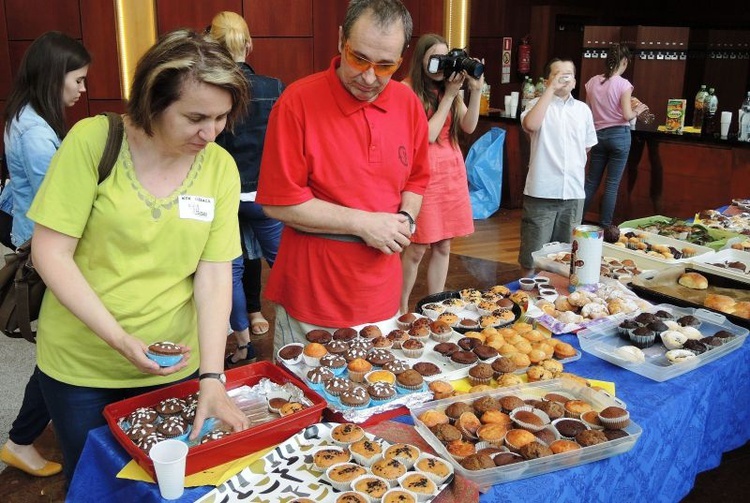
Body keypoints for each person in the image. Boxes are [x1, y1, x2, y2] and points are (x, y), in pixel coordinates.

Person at [26, 29, 251, 481]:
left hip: (176, 364)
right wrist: (121, 340)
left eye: (222, 117)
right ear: (152, 100)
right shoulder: (95, 141)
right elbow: (50, 253)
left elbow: (213, 275)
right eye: (195, 117)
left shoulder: (219, 168)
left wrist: (211, 375)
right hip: (82, 366)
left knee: (171, 483)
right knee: (97, 481)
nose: (210, 133)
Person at [256, 0, 430, 350]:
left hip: (381, 289)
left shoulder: (408, 104)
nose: (368, 77)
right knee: (307, 396)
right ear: (340, 41)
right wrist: (365, 224)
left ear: (401, 58)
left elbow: (417, 179)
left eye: (385, 66)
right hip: (314, 295)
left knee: (376, 388)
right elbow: (279, 203)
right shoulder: (297, 101)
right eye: (358, 59)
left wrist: (406, 218)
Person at [0, 31, 90, 478]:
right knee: (59, 354)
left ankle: (19, 440)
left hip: (30, 240)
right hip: (44, 252)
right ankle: (19, 439)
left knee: (56, 352)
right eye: (77, 79)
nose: (82, 89)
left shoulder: (23, 117)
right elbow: (56, 203)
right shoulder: (36, 134)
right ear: (55, 76)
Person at [209, 11, 285, 366]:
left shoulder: (211, 87)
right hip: (264, 196)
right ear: (249, 45)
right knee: (285, 264)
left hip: (223, 194)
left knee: (231, 271)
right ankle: (296, 335)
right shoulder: (273, 87)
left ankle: (242, 346)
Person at [399, 33, 481, 314]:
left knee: (444, 245)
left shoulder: (449, 89)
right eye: (436, 58)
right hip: (424, 174)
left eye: (446, 57)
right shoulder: (406, 89)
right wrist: (448, 96)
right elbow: (426, 137)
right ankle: (399, 310)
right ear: (420, 59)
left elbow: (469, 127)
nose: (443, 64)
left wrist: (475, 90)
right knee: (416, 247)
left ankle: (434, 307)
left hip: (451, 173)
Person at [518, 58, 597, 274]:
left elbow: (587, 147)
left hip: (573, 193)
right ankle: (528, 295)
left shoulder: (583, 111)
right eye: (557, 74)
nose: (564, 78)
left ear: (575, 81)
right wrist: (551, 89)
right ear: (546, 80)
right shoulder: (535, 105)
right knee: (532, 255)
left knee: (567, 255)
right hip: (541, 190)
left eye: (568, 74)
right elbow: (531, 125)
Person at [583, 43, 648, 227]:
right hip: (619, 135)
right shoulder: (624, 85)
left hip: (597, 136)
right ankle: (605, 226)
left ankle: (576, 220)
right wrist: (639, 110)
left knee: (591, 183)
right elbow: (627, 115)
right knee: (611, 184)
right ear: (625, 62)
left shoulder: (592, 82)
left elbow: (588, 112)